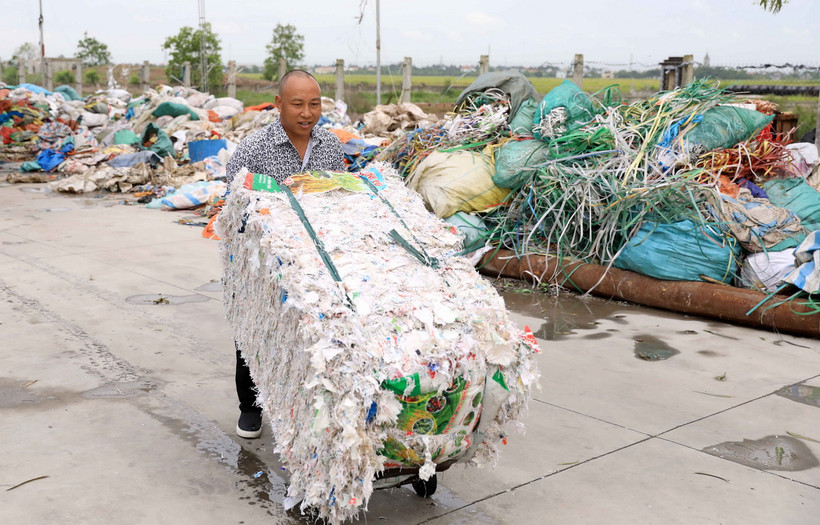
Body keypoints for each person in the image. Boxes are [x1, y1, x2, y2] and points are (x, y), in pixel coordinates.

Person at [225, 70, 345, 439]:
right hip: (264, 259)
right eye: (297, 104)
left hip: (314, 259)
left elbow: (340, 196)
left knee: (309, 333)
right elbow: (231, 203)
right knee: (255, 330)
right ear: (279, 104)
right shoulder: (253, 148)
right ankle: (251, 407)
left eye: (314, 104)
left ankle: (306, 403)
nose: (307, 113)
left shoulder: (330, 146)